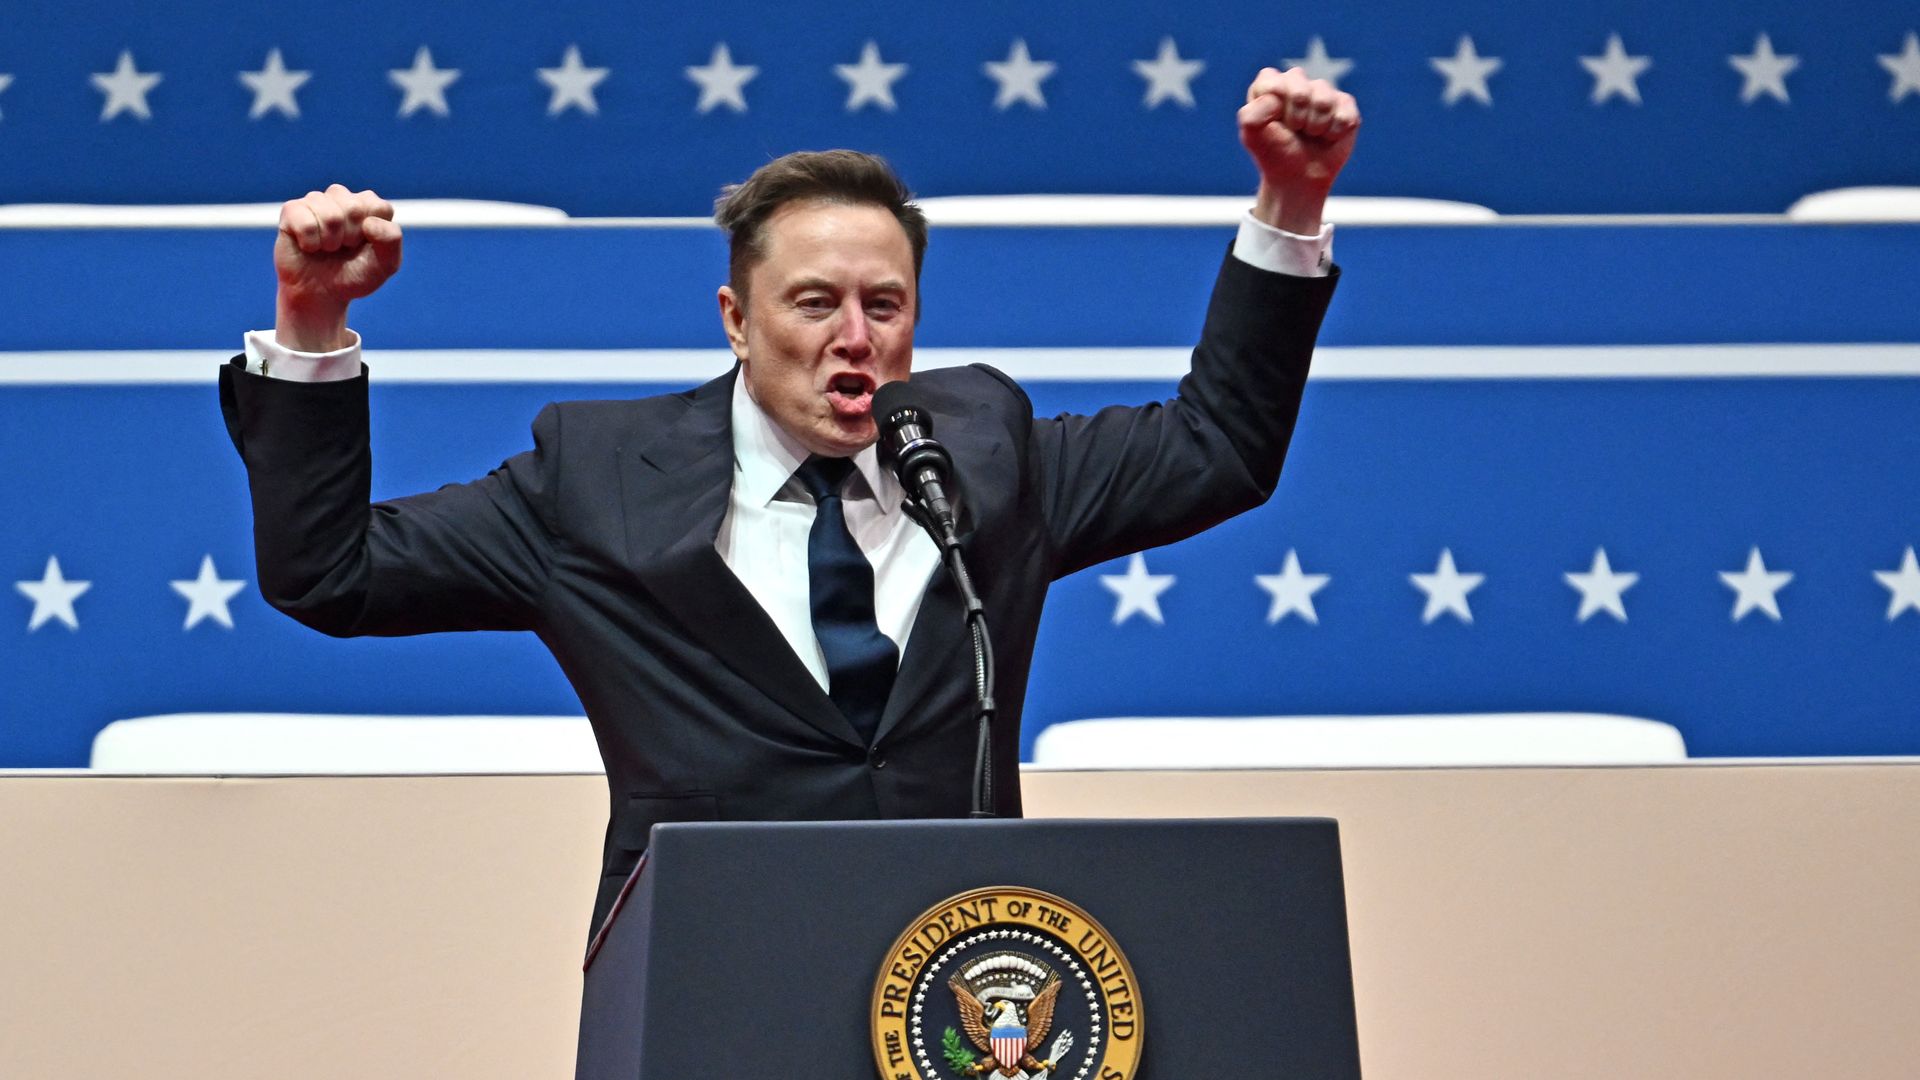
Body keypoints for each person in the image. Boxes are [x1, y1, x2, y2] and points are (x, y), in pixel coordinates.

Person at [219, 67, 1359, 939]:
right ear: (734, 317)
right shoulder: (598, 477)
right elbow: (332, 574)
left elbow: (1217, 448)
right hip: (708, 972)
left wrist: (1290, 203)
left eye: (885, 304)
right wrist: (313, 324)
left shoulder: (985, 451)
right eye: (814, 302)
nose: (854, 339)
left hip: (958, 982)